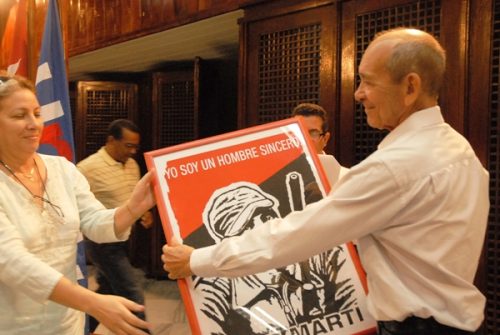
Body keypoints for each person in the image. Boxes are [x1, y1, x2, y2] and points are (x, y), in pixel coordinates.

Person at [162, 27, 489, 335]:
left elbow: (291, 237)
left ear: (410, 87)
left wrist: (197, 260)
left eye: (368, 82)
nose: (359, 94)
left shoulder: (394, 167)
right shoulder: (458, 151)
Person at [0, 73, 156, 335]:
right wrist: (93, 303)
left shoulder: (61, 169)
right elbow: (12, 263)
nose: (33, 124)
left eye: (37, 113)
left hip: (67, 324)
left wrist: (133, 208)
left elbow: (94, 222)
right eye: (19, 116)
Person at [77, 119, 153, 333]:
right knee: (132, 292)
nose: (133, 151)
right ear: (111, 140)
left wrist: (144, 214)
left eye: (136, 146)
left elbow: (131, 200)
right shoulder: (87, 167)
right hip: (101, 242)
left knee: (107, 290)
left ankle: (82, 328)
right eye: (128, 145)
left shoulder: (132, 165)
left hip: (123, 238)